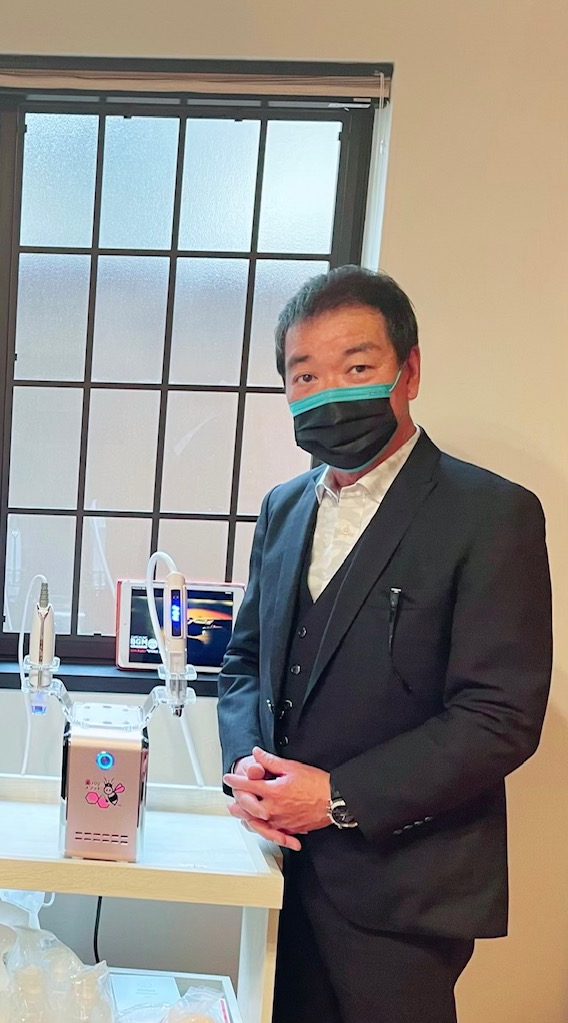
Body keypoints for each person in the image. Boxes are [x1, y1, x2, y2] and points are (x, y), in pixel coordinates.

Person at [217, 266, 552, 1023]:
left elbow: (499, 715)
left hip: (405, 888)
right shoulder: (282, 508)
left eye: (357, 367)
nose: (329, 393)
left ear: (411, 371)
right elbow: (243, 663)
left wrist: (336, 797)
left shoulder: (491, 514)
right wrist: (247, 772)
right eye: (305, 375)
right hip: (278, 870)